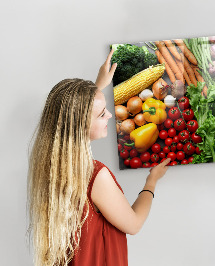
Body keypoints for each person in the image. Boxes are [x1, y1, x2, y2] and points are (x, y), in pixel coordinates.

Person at [27, 50, 171, 266]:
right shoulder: (96, 175)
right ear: (82, 124)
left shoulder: (49, 164)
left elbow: (74, 112)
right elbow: (134, 224)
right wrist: (152, 181)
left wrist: (97, 86)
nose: (110, 115)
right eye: (102, 113)